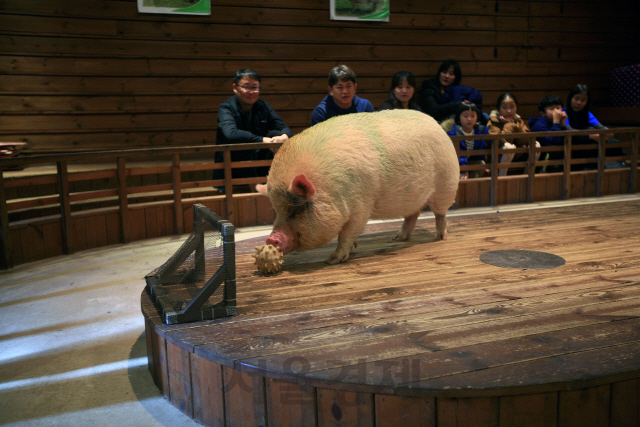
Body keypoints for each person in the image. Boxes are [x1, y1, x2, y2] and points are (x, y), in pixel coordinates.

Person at [216, 69, 292, 180]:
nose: (251, 92)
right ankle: (257, 186)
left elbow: (282, 126)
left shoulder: (262, 105)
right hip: (234, 166)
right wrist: (262, 140)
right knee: (242, 145)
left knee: (276, 134)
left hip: (259, 161)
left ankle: (278, 183)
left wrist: (285, 136)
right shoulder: (226, 107)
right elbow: (231, 133)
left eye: (255, 87)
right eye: (246, 87)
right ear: (235, 88)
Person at [565, 84, 618, 169]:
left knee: (613, 141)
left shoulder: (587, 113)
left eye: (583, 100)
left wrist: (607, 133)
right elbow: (568, 131)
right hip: (569, 142)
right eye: (576, 99)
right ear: (571, 98)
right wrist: (590, 136)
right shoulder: (563, 111)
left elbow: (601, 127)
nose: (579, 103)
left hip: (583, 142)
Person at [487, 92, 540, 176]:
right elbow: (499, 142)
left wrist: (516, 127)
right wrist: (510, 125)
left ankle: (528, 174)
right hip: (498, 157)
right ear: (498, 109)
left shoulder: (519, 121)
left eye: (512, 107)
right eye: (504, 107)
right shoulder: (493, 122)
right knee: (508, 146)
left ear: (516, 107)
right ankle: (501, 177)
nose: (509, 111)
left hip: (518, 156)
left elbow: (526, 140)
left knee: (536, 144)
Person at [419, 59, 484, 122]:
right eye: (444, 72)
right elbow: (433, 111)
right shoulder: (429, 87)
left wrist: (468, 104)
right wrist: (459, 104)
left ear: (456, 77)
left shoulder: (457, 90)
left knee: (484, 116)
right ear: (439, 73)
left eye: (451, 74)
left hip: (457, 123)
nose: (447, 76)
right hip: (434, 122)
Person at [310, 65, 374, 126]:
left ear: (355, 88)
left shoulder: (365, 106)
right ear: (330, 90)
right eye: (339, 87)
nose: (345, 91)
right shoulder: (321, 112)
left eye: (348, 86)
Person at [446, 102, 489, 179]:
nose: (469, 119)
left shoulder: (481, 130)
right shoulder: (453, 133)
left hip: (473, 162)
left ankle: (472, 186)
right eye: (465, 116)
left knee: (481, 164)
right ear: (459, 117)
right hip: (457, 163)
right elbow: (458, 153)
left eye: (473, 116)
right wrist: (464, 170)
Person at [528, 95, 567, 171]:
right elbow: (553, 141)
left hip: (554, 162)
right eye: (551, 109)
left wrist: (562, 124)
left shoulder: (556, 122)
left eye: (558, 108)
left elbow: (564, 142)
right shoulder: (539, 124)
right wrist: (556, 121)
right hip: (538, 165)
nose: (556, 111)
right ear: (543, 113)